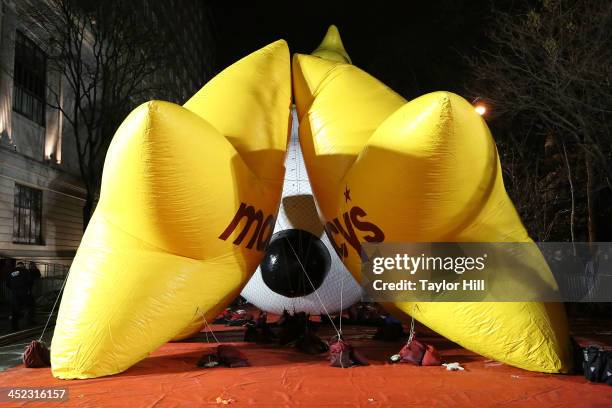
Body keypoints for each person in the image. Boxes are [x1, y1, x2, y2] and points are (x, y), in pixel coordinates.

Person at [6, 262, 35, 330]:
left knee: (15, 309)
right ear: (23, 266)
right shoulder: (25, 271)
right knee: (29, 306)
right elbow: (30, 281)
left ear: (17, 265)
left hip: (14, 293)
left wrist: (13, 289)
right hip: (24, 292)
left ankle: (14, 326)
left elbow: (7, 283)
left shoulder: (11, 272)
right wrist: (29, 290)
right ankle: (29, 321)